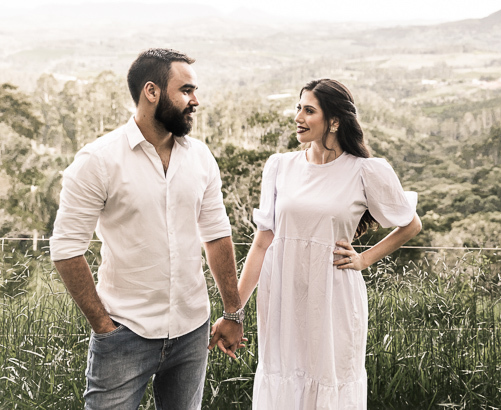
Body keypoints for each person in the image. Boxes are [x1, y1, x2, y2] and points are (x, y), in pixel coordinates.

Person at [49, 48, 245, 410]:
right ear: (151, 92)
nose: (195, 100)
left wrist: (233, 312)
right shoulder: (98, 161)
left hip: (192, 332)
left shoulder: (201, 158)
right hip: (124, 334)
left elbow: (217, 234)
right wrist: (103, 327)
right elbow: (65, 248)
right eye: (185, 90)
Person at [213, 78, 422, 408]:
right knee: (283, 380)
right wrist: (234, 312)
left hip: (334, 299)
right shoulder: (280, 166)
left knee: (329, 383)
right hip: (283, 299)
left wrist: (364, 259)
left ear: (334, 121)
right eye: (298, 107)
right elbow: (262, 243)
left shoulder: (365, 171)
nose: (298, 116)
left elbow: (411, 224)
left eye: (309, 110)